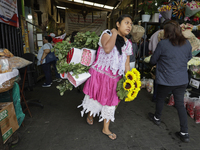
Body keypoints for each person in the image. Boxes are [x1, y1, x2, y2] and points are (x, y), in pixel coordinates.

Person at [78, 14, 133, 140]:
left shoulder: (128, 43)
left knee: (111, 102)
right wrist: (114, 33)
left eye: (131, 24)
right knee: (95, 98)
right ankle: (90, 115)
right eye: (126, 22)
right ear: (118, 24)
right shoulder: (107, 34)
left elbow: (126, 63)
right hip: (99, 75)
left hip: (115, 78)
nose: (129, 26)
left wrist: (128, 78)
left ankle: (105, 128)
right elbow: (107, 48)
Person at [148, 20, 192, 143]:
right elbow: (189, 57)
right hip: (181, 79)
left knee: (161, 98)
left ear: (166, 32)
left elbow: (153, 60)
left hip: (166, 79)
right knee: (180, 105)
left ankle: (157, 118)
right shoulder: (187, 43)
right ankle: (185, 133)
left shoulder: (163, 44)